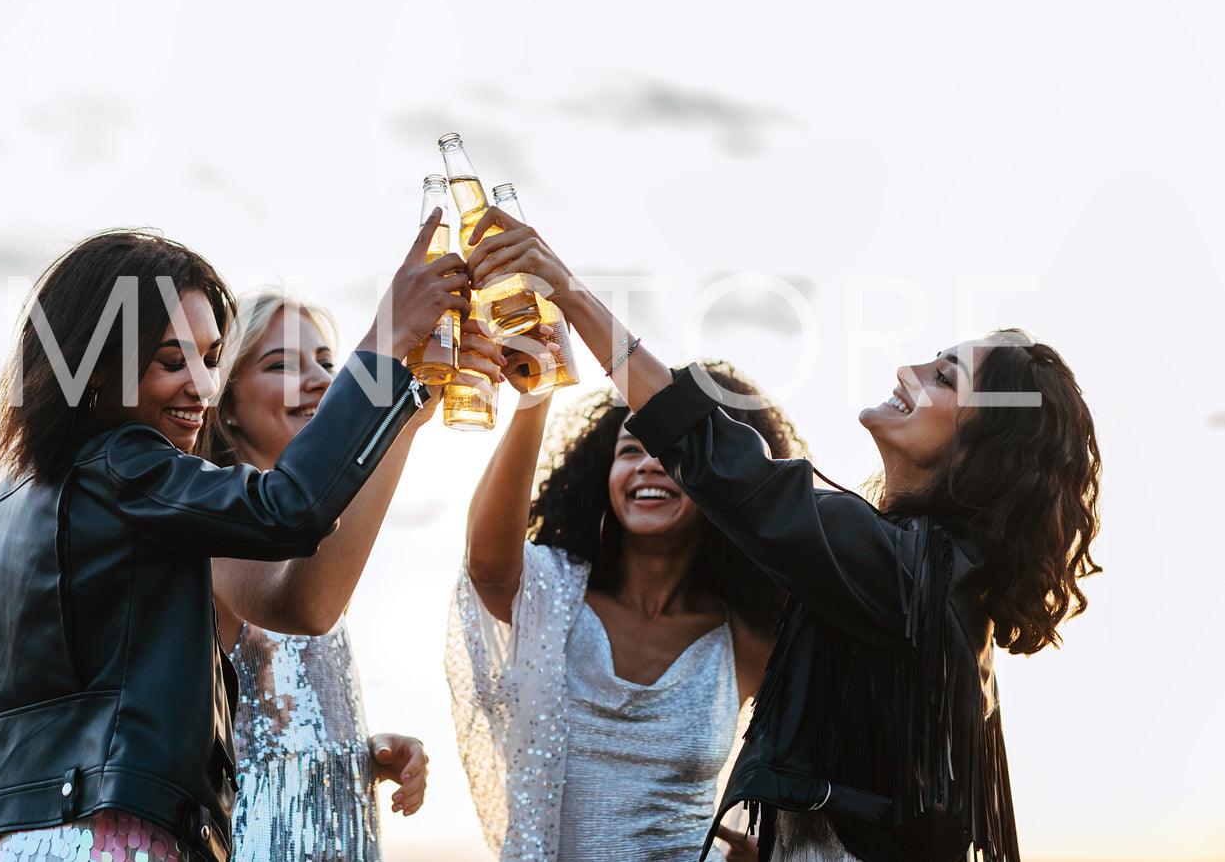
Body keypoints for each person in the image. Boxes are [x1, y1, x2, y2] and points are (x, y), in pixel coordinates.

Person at [463, 209, 1102, 862]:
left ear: (977, 453)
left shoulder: (904, 569)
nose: (909, 368)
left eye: (944, 376)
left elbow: (728, 466)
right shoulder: (928, 575)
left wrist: (569, 294)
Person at [0, 220, 467, 862]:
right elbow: (289, 510)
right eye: (170, 360)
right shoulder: (129, 463)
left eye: (211, 359)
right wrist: (385, 340)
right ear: (96, 366)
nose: (203, 387)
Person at [447, 356, 805, 862]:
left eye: (674, 450)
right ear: (602, 470)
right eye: (630, 449)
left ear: (726, 477)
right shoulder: (553, 596)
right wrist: (535, 396)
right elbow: (487, 567)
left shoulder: (748, 640)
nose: (649, 463)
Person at [209, 288, 482, 861]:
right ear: (225, 402)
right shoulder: (219, 523)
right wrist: (401, 416)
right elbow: (309, 610)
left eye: (326, 363)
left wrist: (358, 751)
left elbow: (283, 713)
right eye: (281, 364)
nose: (316, 380)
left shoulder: (313, 540)